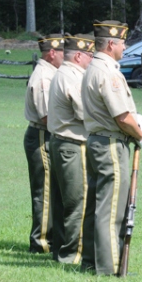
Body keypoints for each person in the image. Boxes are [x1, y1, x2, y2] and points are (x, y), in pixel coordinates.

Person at [80, 21, 142, 276]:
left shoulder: (92, 67)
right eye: (122, 42)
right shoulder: (108, 72)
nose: (125, 47)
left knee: (95, 206)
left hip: (96, 140)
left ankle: (90, 260)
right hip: (110, 143)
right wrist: (140, 134)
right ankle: (109, 267)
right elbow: (122, 117)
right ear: (110, 44)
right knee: (112, 208)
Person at [47, 34, 95, 264]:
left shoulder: (62, 73)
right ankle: (72, 254)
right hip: (73, 144)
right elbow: (85, 112)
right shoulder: (73, 77)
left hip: (60, 142)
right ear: (78, 56)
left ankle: (60, 250)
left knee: (61, 201)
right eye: (89, 55)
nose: (92, 60)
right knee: (78, 202)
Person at [24, 34, 64, 254]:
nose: (65, 56)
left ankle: (50, 238)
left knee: (51, 189)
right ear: (51, 53)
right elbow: (48, 117)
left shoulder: (51, 74)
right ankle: (40, 242)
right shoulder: (44, 78)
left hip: (47, 134)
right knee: (44, 190)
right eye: (62, 52)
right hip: (42, 135)